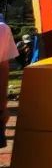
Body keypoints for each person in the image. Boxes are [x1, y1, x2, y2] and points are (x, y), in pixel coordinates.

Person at [0, 13, 20, 145]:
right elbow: (3, 68)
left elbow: (3, 68)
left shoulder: (2, 30)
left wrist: (2, 106)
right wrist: (2, 107)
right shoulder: (2, 29)